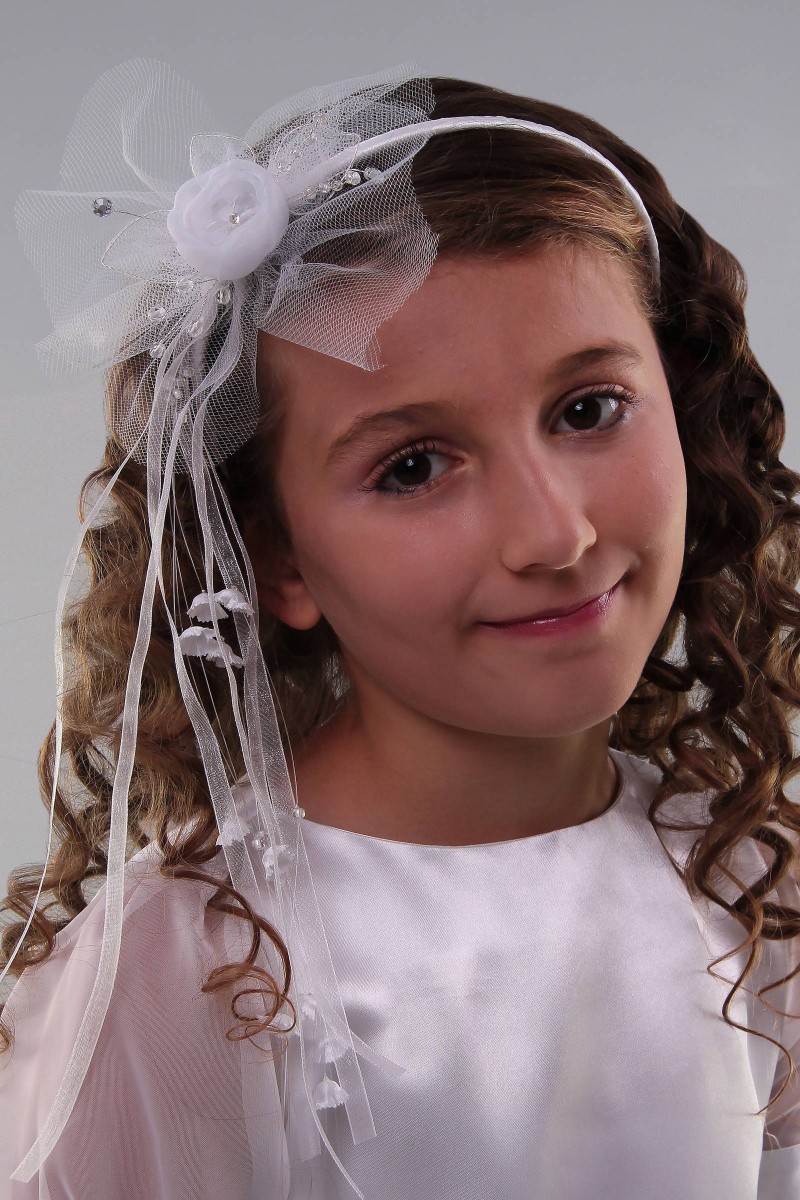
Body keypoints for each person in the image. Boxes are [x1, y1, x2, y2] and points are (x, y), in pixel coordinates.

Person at [1, 59, 799, 1200]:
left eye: (587, 410)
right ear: (277, 558)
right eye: (413, 467)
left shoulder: (741, 881)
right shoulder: (194, 977)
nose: (554, 533)